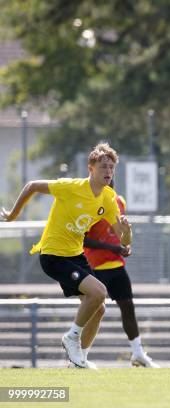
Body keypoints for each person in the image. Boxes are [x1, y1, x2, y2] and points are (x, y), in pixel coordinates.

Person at [0, 143, 131, 369]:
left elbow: (124, 240)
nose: (108, 172)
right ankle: (71, 337)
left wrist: (127, 233)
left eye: (111, 168)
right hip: (53, 255)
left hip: (75, 255)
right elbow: (31, 186)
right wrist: (12, 215)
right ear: (91, 168)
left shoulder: (108, 198)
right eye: (103, 167)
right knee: (99, 292)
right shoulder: (70, 187)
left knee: (99, 309)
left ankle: (78, 360)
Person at [82, 180, 160, 368]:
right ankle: (79, 357)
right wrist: (112, 247)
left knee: (127, 306)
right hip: (94, 266)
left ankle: (138, 353)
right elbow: (84, 239)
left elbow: (121, 234)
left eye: (110, 178)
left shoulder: (119, 201)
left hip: (116, 265)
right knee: (93, 312)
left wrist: (125, 246)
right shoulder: (89, 203)